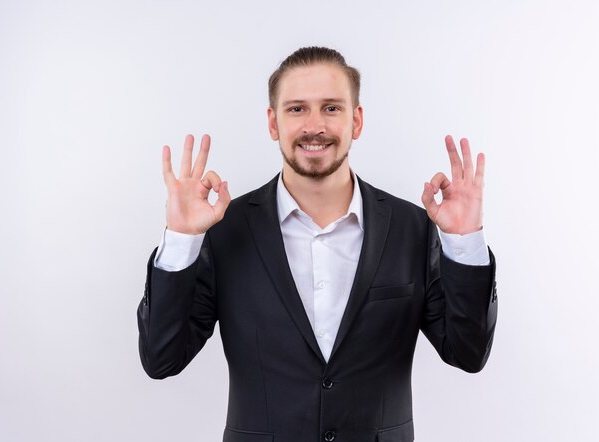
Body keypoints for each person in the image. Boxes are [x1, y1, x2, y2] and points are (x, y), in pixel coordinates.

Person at [138, 47, 497, 442]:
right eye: (296, 109)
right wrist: (181, 240)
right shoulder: (226, 231)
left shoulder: (413, 228)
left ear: (356, 120)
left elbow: (468, 353)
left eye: (331, 108)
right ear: (273, 123)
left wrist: (464, 244)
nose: (314, 126)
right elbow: (161, 358)